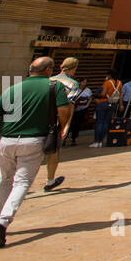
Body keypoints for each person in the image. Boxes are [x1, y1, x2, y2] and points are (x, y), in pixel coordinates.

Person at [0, 56, 73, 248]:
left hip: (6, 141)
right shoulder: (53, 87)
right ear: (49, 70)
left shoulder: (12, 89)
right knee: (22, 182)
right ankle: (2, 222)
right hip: (33, 140)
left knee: (4, 180)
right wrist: (61, 128)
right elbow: (64, 112)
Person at [42, 56, 82, 191]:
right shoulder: (73, 84)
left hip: (42, 117)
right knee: (53, 151)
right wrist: (66, 125)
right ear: (74, 69)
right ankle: (49, 180)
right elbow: (69, 106)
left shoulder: (49, 80)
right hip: (57, 119)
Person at [90, 71, 121, 147]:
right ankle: (101, 141)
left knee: (100, 122)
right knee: (106, 122)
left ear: (109, 75)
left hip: (103, 103)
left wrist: (97, 95)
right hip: (113, 103)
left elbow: (103, 94)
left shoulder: (107, 83)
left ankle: (96, 141)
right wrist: (121, 104)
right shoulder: (120, 83)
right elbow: (121, 94)